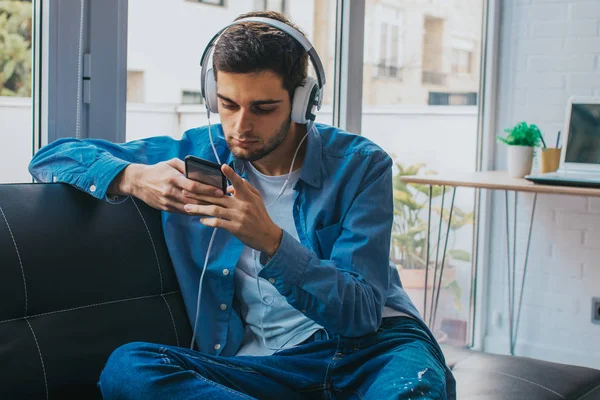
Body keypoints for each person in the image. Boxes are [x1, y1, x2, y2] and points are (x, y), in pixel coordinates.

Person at [29, 11, 455, 400]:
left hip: (373, 351)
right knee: (130, 369)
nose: (241, 126)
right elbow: (52, 157)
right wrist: (134, 177)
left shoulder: (361, 166)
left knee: (413, 390)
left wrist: (271, 241)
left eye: (263, 108)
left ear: (304, 101)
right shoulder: (200, 150)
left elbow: (360, 314)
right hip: (266, 367)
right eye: (228, 104)